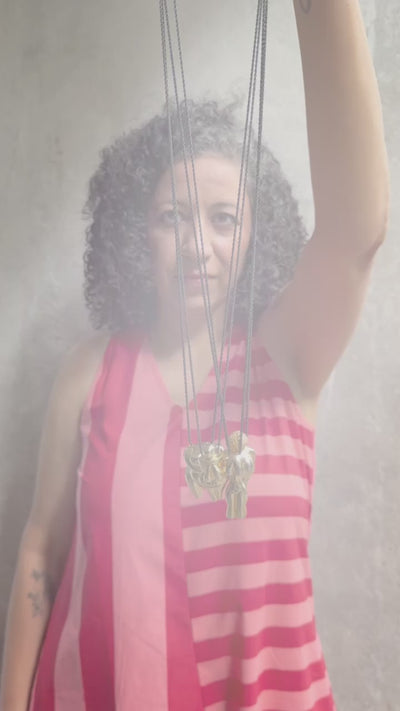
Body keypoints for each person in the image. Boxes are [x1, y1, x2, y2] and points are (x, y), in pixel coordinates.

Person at [0, 2, 389, 710]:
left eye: (223, 219)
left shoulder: (287, 354)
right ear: (135, 233)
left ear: (255, 235)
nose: (196, 247)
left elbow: (355, 232)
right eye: (171, 217)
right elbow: (40, 548)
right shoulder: (89, 371)